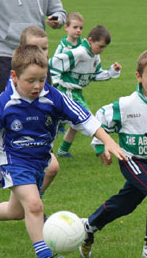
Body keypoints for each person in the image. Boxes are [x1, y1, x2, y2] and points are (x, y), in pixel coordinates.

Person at [0, 44, 127, 258]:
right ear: (14, 76)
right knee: (34, 206)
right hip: (14, 161)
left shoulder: (52, 96)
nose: (37, 86)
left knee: (16, 211)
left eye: (42, 79)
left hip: (40, 161)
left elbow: (84, 118)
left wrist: (108, 141)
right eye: (31, 80)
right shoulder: (3, 103)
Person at [79, 48, 147, 258]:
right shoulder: (127, 105)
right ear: (139, 77)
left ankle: (88, 226)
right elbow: (99, 118)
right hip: (132, 161)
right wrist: (100, 147)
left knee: (125, 204)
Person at [0, 26, 60, 217]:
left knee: (52, 167)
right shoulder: (16, 81)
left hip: (34, 137)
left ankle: (32, 201)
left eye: (44, 49)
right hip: (10, 142)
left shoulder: (43, 71)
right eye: (36, 48)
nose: (40, 53)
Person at [50, 25, 121, 158]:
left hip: (77, 93)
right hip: (67, 91)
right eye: (100, 46)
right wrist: (55, 83)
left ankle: (62, 151)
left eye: (104, 47)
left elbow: (95, 75)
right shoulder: (79, 53)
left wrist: (111, 72)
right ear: (90, 40)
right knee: (88, 119)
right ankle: (101, 149)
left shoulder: (95, 56)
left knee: (73, 124)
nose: (102, 50)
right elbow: (53, 63)